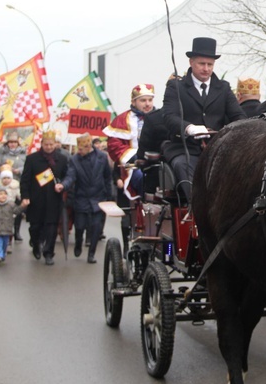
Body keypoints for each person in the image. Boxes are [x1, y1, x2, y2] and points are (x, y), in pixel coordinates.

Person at [161, 37, 246, 199]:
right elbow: (169, 117)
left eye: (210, 64)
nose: (206, 69)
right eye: (202, 64)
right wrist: (189, 128)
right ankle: (196, 208)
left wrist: (227, 133)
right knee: (183, 165)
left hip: (218, 147)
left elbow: (239, 116)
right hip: (186, 148)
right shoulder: (176, 87)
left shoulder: (223, 88)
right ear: (191, 62)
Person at [104, 83, 157, 252]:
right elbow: (113, 144)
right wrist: (132, 156)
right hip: (133, 166)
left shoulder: (160, 116)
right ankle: (147, 208)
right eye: (143, 100)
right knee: (142, 177)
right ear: (134, 102)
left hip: (158, 163)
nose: (147, 104)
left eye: (149, 100)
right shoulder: (122, 119)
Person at [60, 133, 112, 263]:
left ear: (89, 147)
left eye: (81, 149)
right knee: (79, 226)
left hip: (98, 196)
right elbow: (70, 176)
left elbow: (107, 177)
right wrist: (63, 185)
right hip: (81, 196)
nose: (79, 151)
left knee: (95, 227)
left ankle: (91, 254)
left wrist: (110, 197)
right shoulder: (74, 159)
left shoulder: (102, 157)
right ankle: (78, 242)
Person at [20, 130, 68, 266]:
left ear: (55, 144)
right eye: (46, 144)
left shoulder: (61, 159)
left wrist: (62, 185)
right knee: (35, 227)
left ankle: (48, 253)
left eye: (51, 144)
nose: (48, 147)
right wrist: (25, 196)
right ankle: (36, 244)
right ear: (42, 144)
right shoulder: (32, 159)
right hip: (36, 199)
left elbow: (66, 177)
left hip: (54, 199)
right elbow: (25, 180)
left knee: (51, 228)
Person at [0, 132, 27, 241]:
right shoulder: (2, 151)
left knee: (17, 207)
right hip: (4, 184)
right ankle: (6, 230)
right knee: (5, 208)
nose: (12, 144)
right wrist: (4, 168)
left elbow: (27, 166)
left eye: (14, 142)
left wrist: (18, 170)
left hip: (18, 183)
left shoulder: (23, 153)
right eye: (10, 142)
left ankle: (17, 231)